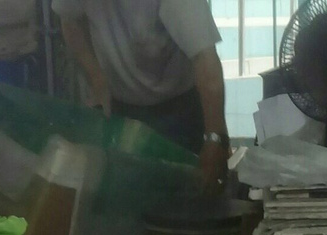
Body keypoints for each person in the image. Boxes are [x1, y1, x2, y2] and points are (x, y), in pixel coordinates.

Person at [53, 0, 231, 189]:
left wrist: (215, 138)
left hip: (179, 110)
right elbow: (70, 22)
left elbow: (204, 59)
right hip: (120, 109)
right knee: (127, 197)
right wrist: (98, 79)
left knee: (188, 196)